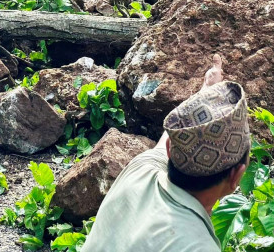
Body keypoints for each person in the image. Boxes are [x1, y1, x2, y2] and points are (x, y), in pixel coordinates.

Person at [82, 55, 250, 252]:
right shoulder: (199, 247)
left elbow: (168, 140)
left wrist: (207, 91)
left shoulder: (142, 169)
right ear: (236, 177)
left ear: (171, 150)